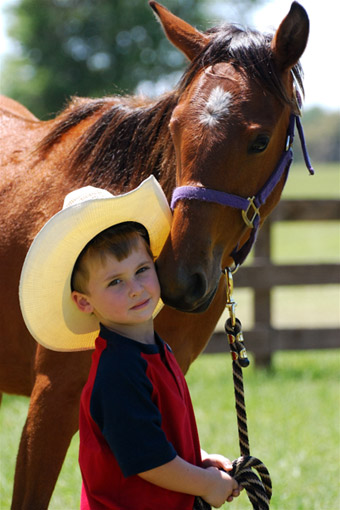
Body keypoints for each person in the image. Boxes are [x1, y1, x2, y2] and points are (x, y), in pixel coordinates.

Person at [19, 176, 241, 510]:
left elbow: (152, 437)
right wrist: (205, 483)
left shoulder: (152, 349)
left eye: (141, 270)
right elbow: (148, 459)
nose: (135, 288)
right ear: (84, 302)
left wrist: (200, 460)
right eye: (115, 282)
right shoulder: (119, 370)